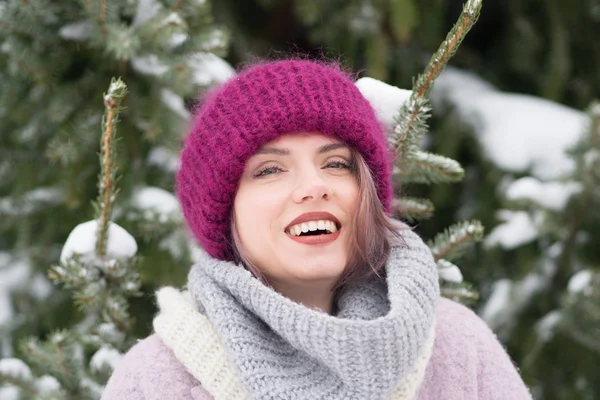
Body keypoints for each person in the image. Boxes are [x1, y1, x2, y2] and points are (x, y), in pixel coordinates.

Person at [102, 59, 531, 400]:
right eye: (270, 170)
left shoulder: (458, 345)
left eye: (336, 164)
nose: (313, 187)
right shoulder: (155, 380)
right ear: (223, 211)